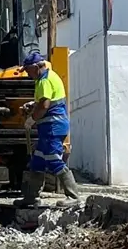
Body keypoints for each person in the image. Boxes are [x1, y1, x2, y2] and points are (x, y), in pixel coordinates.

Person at [15, 51, 80, 208]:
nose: (28, 74)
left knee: (53, 158)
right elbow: (47, 100)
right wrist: (33, 104)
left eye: (29, 70)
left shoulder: (44, 81)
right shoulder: (49, 77)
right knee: (37, 161)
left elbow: (44, 105)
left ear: (37, 67)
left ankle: (73, 196)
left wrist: (31, 120)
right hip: (51, 126)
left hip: (53, 126)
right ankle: (31, 197)